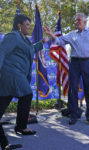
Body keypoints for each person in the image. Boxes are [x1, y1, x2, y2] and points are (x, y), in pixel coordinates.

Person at [43, 13, 89, 125]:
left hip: (88, 62)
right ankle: (73, 114)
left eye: (79, 20)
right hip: (75, 63)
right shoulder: (72, 34)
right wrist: (51, 34)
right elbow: (59, 41)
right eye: (76, 20)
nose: (76, 22)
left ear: (85, 22)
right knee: (72, 89)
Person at [0, 14, 48, 150]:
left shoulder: (24, 40)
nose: (29, 27)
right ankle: (21, 127)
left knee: (5, 101)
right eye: (27, 25)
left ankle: (13, 135)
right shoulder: (12, 36)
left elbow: (31, 49)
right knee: (27, 94)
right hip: (11, 74)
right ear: (19, 25)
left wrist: (42, 42)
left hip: (14, 77)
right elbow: (1, 52)